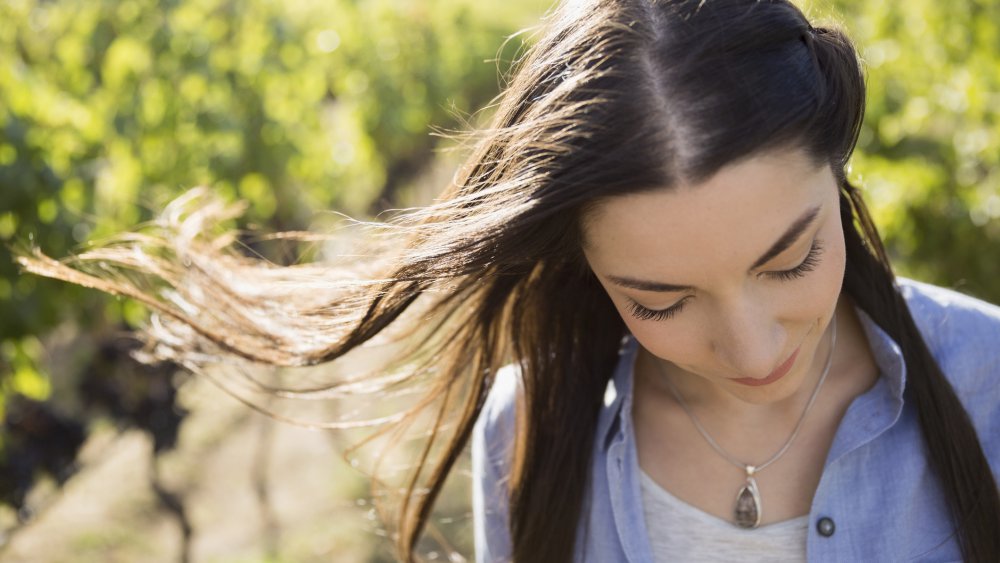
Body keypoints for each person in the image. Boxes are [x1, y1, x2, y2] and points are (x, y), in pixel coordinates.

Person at [17, 0, 1000, 561]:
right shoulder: (528, 429)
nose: (753, 347)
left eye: (789, 260)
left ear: (840, 171)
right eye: (659, 300)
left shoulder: (988, 381)